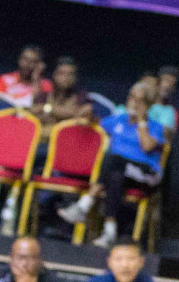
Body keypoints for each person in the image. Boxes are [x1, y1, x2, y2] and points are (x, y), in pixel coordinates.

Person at [58, 83, 166, 246]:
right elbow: (93, 123)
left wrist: (142, 122)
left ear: (148, 105)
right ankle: (109, 231)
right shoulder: (118, 120)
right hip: (121, 173)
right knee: (115, 177)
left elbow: (147, 146)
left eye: (140, 101)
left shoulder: (155, 127)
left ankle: (85, 203)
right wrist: (87, 115)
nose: (133, 103)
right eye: (131, 98)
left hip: (146, 174)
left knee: (113, 160)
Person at [35, 57, 94, 129]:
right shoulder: (43, 97)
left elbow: (78, 115)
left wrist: (47, 108)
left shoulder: (82, 97)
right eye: (62, 73)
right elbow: (34, 114)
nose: (66, 78)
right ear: (54, 75)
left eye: (71, 74)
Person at [151, 66, 179, 138]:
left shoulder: (172, 113)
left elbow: (164, 136)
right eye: (166, 80)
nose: (167, 86)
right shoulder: (142, 103)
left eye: (172, 83)